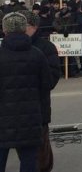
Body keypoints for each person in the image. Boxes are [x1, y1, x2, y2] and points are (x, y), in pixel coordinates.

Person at [0, 12, 51, 172]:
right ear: (24, 29)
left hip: (2, 119)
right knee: (29, 162)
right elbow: (46, 86)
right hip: (31, 117)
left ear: (4, 30)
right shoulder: (37, 54)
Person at [20, 10, 60, 172]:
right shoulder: (8, 47)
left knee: (40, 151)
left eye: (25, 26)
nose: (22, 30)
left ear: (34, 27)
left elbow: (51, 78)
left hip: (38, 107)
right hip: (13, 109)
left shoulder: (45, 47)